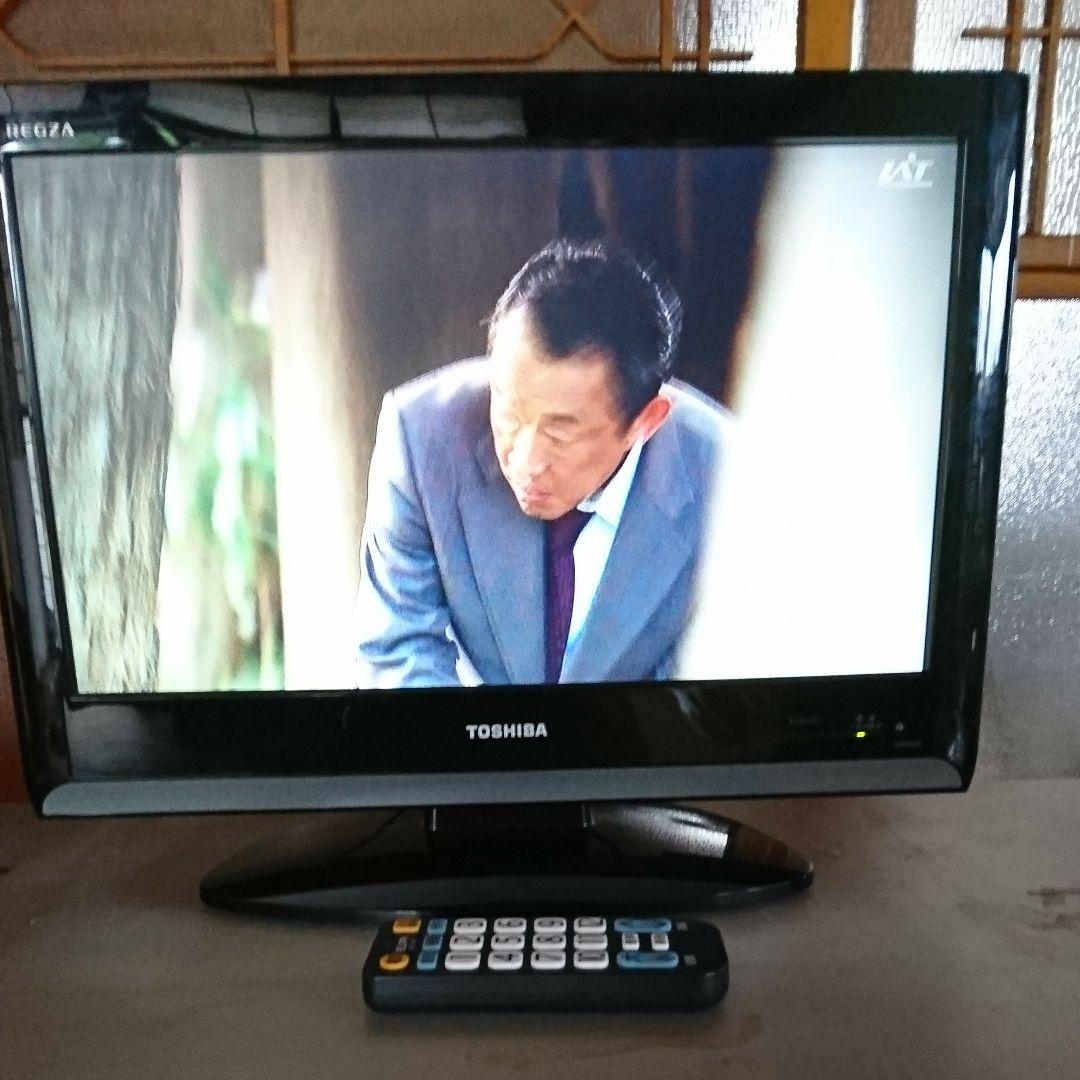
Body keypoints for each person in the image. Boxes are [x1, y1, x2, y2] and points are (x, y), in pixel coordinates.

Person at [354, 238, 731, 688]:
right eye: (509, 412)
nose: (526, 460)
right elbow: (399, 648)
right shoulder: (421, 437)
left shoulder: (732, 479)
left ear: (645, 421)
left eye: (561, 432)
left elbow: (717, 684)